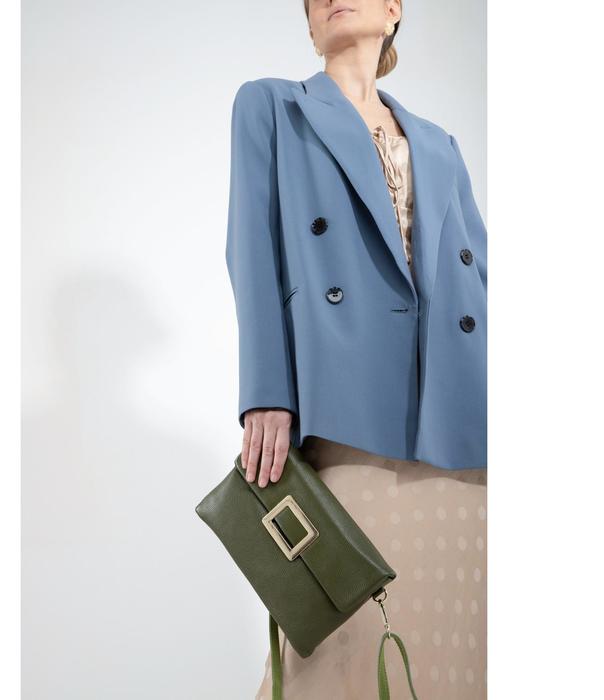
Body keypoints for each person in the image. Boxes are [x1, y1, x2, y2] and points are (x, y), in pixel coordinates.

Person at [224, 1, 487, 698]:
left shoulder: (439, 144)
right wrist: (267, 393)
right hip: (345, 413)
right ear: (311, 26)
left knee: (459, 649)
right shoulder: (272, 107)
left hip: (464, 424)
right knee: (339, 657)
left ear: (394, 9)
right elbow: (251, 251)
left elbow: (482, 280)